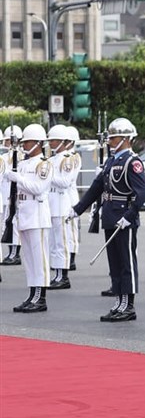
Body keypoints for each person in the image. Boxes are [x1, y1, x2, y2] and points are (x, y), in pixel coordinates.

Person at [72, 118, 145, 322]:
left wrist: (129, 216)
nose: (109, 141)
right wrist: (77, 210)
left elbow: (142, 192)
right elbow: (97, 187)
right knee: (114, 262)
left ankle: (128, 305)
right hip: (110, 215)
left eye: (113, 137)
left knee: (126, 262)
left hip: (124, 217)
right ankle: (119, 300)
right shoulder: (112, 161)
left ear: (125, 139)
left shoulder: (132, 162)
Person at [8, 124, 53, 313]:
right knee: (28, 259)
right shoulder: (23, 163)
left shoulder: (44, 164)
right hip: (24, 213)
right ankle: (31, 294)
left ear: (38, 143)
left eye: (27, 142)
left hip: (37, 214)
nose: (24, 145)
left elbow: (38, 188)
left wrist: (18, 179)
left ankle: (40, 297)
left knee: (39, 258)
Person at [47, 125, 81, 290]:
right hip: (51, 205)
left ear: (62, 141)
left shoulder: (68, 159)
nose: (50, 143)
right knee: (53, 243)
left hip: (62, 205)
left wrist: (47, 176)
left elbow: (65, 182)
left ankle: (63, 276)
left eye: (53, 140)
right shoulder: (52, 159)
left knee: (62, 242)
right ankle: (57, 274)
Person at [1, 125, 23, 265]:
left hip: (13, 194)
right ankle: (11, 252)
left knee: (14, 224)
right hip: (6, 194)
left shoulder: (19, 156)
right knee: (8, 224)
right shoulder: (6, 156)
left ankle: (15, 253)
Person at [63, 126, 82, 271]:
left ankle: (72, 258)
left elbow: (69, 178)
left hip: (70, 195)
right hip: (63, 195)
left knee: (72, 228)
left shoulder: (74, 156)